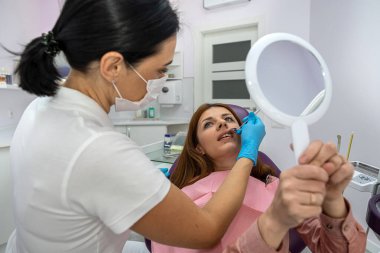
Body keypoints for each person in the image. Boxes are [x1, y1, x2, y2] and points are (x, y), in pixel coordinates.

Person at [6, 1, 270, 252]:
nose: (161, 80)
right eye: (159, 70)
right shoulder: (97, 149)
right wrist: (248, 153)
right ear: (113, 66)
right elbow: (207, 229)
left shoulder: (42, 105)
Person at [151, 103, 366, 253]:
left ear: (244, 130)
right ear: (198, 148)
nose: (222, 124)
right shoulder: (183, 196)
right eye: (208, 124)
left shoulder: (273, 186)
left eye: (228, 119)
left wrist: (332, 202)